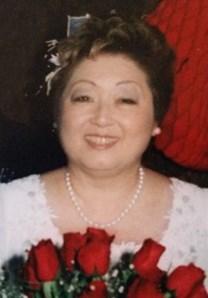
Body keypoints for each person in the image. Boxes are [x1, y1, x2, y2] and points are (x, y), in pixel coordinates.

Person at [0, 16, 208, 283]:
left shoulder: (202, 217)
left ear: (157, 118)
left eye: (125, 100)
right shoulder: (7, 209)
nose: (101, 118)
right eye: (84, 97)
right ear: (58, 113)